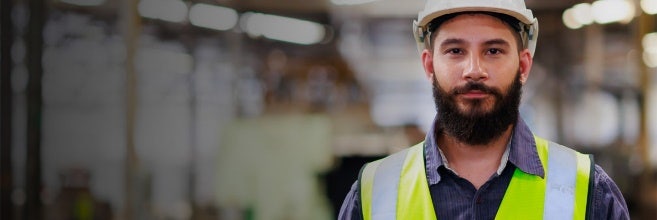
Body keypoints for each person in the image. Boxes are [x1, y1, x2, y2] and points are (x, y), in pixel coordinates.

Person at [338, 0, 630, 219]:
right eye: (455, 51)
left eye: (493, 51)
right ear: (429, 65)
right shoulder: (373, 193)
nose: (474, 70)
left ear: (524, 65)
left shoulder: (590, 191)